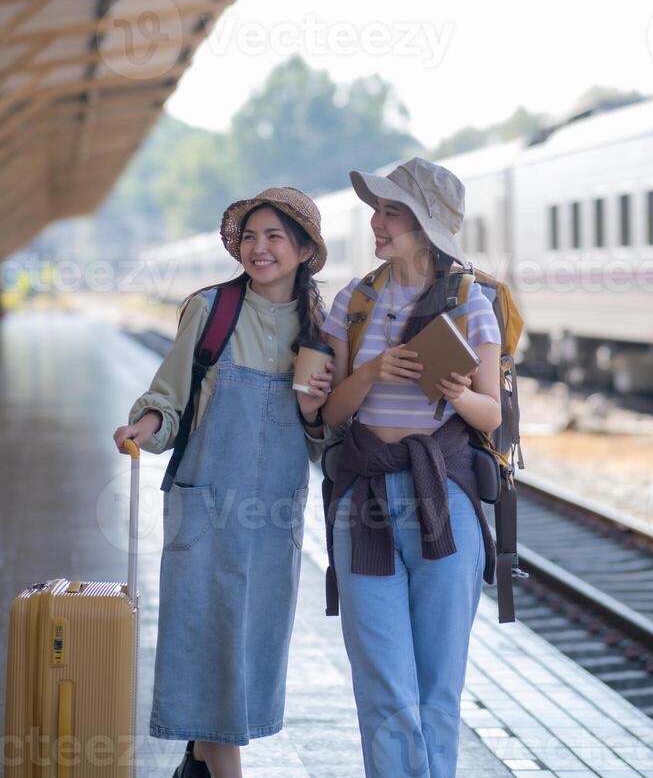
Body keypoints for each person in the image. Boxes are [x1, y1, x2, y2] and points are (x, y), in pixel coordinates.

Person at [113, 188, 333, 778]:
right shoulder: (210, 310)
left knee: (248, 650)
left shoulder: (321, 329)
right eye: (249, 237)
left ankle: (201, 763)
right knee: (204, 646)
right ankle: (214, 764)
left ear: (305, 249)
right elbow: (170, 397)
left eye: (274, 237)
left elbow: (325, 438)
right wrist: (145, 426)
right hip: (204, 510)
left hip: (272, 520)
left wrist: (316, 412)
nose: (258, 249)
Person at [320, 157, 502, 778]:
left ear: (423, 225)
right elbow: (326, 416)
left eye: (390, 210)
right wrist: (372, 371)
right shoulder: (354, 300)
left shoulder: (472, 303)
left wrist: (453, 392)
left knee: (436, 690)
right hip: (363, 499)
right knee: (383, 689)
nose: (376, 221)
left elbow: (490, 416)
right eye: (378, 209)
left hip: (443, 498)